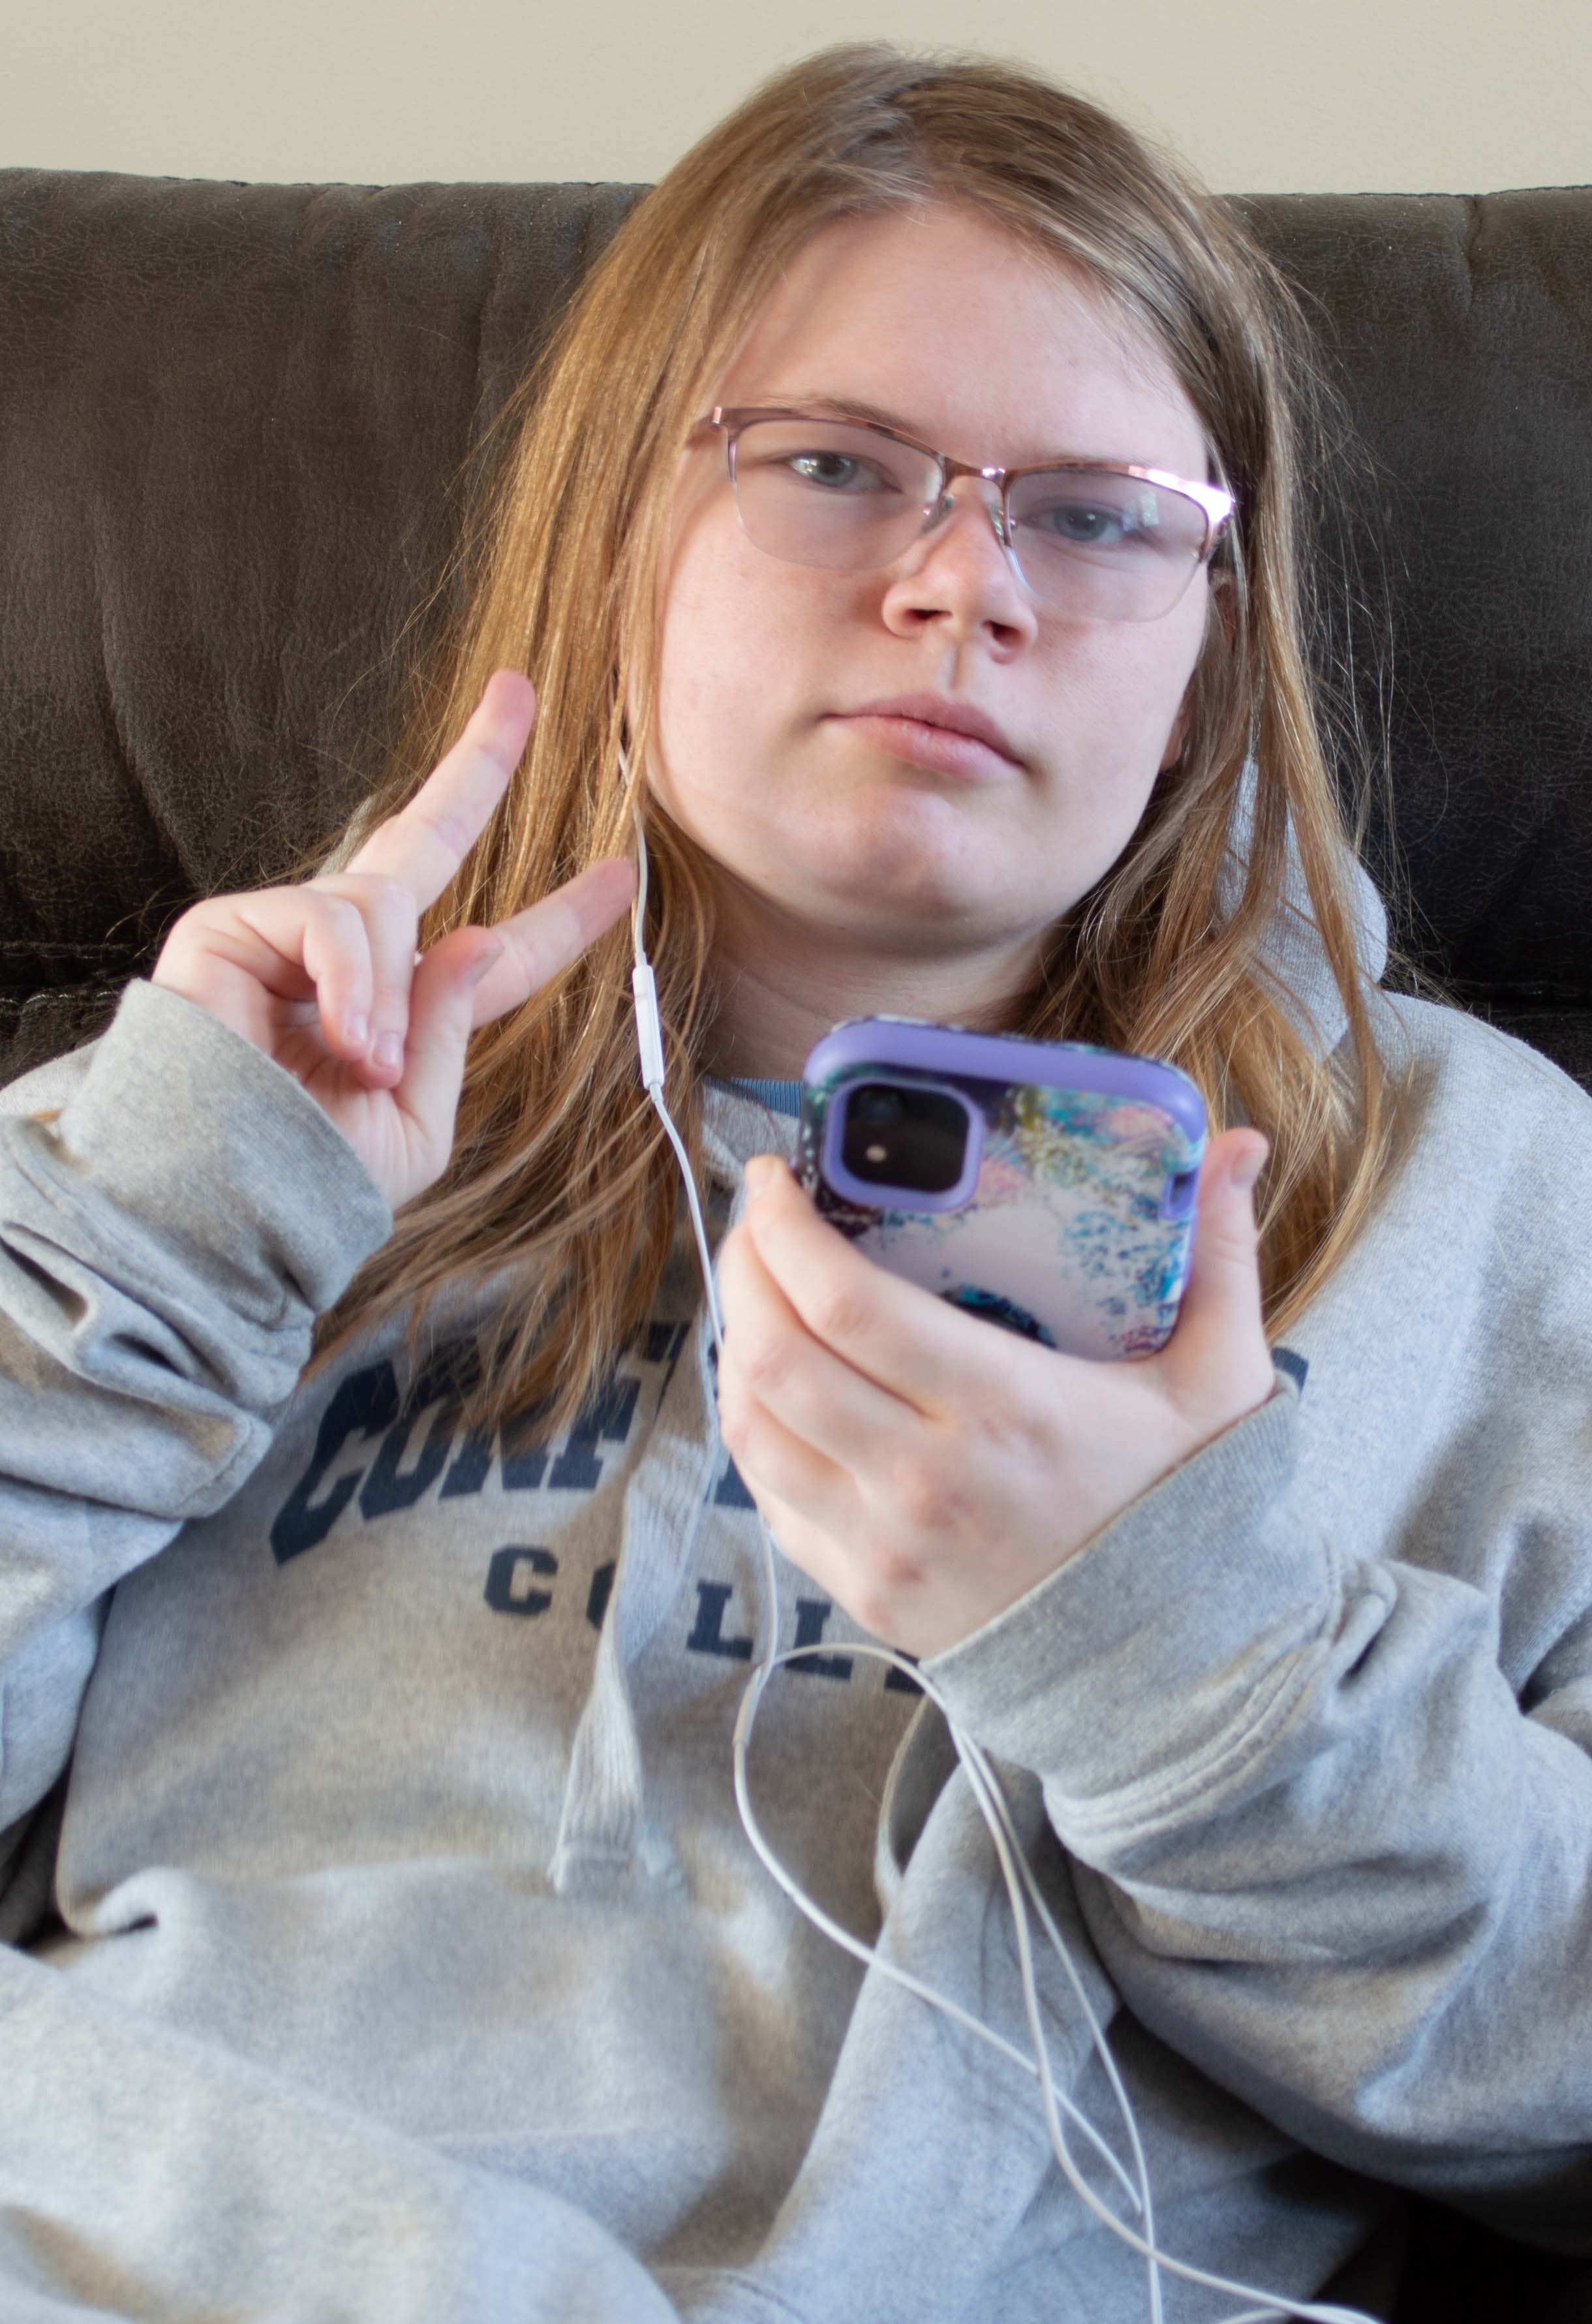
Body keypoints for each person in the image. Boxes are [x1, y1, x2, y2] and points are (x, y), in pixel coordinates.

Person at [0, 40, 1587, 2324]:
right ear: (615, 527)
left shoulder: (1483, 1197)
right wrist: (146, 1263)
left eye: (1095, 513)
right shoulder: (206, 1121)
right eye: (838, 467)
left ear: (1210, 640)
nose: (964, 587)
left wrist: (1178, 1646)